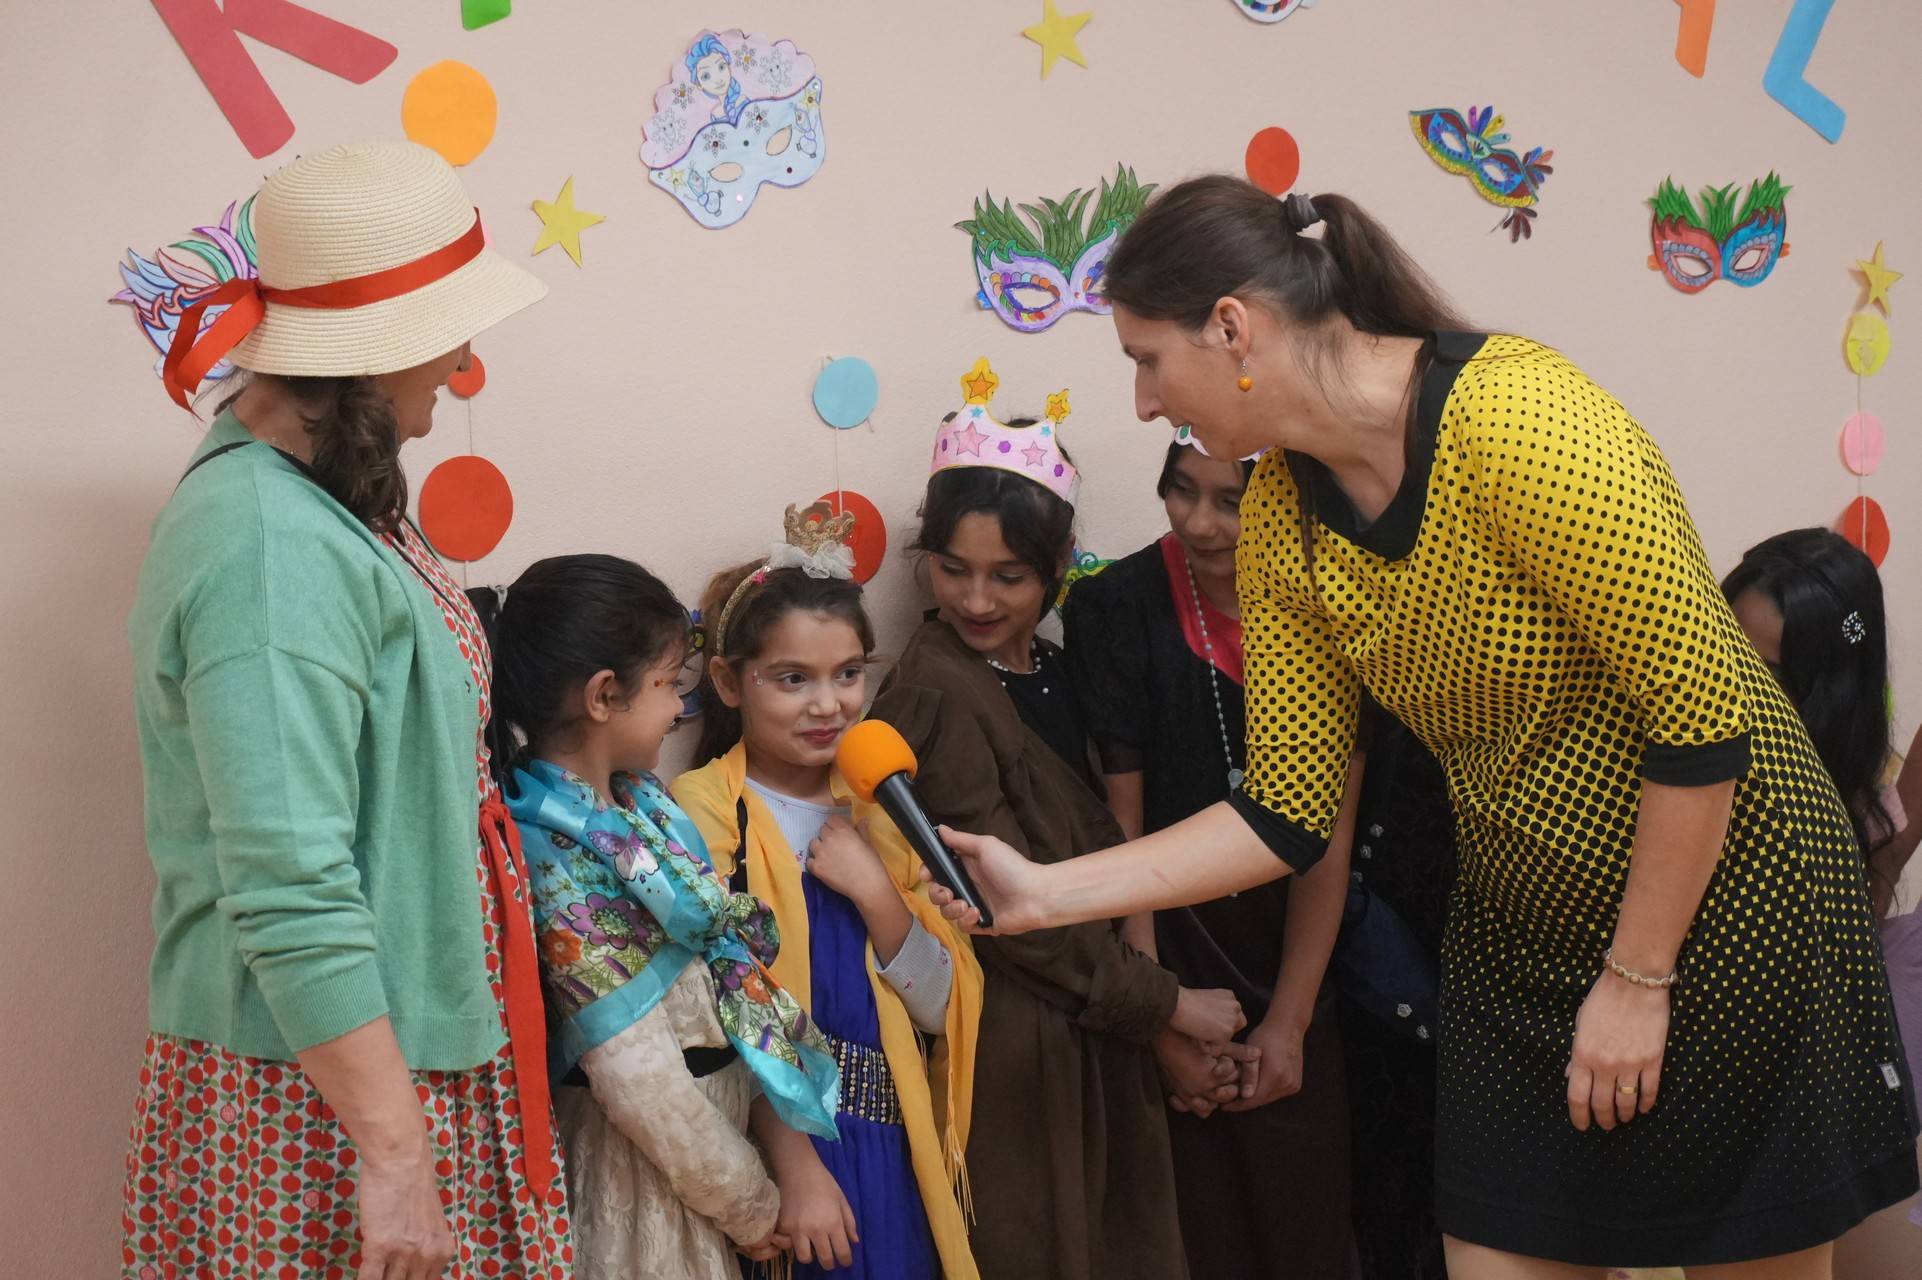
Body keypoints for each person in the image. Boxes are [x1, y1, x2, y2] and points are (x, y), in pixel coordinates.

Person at [920, 178, 1920, 1278]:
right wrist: (1044, 891)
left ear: (1232, 327)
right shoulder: (1281, 519)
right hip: (1522, 926)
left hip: (1728, 905)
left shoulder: (1518, 415)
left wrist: (1639, 977)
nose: (1146, 402)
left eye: (1147, 359)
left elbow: (1701, 716)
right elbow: (1283, 811)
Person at [122, 140, 569, 1278]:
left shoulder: (334, 493)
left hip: (386, 1054)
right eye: (446, 332)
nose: (463, 360)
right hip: (323, 1095)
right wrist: (396, 1156)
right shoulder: (270, 544)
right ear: (368, 354)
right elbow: (287, 877)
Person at [864, 363, 1243, 1280]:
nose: (977, 600)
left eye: (1010, 576)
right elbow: (1003, 913)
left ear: (1059, 566)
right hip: (1017, 1046)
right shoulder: (934, 693)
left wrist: (1150, 1014)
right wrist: (1166, 1009)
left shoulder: (1058, 669)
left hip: (1094, 1028)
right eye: (953, 569)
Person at [473, 553, 844, 1278]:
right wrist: (752, 1205)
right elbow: (640, 1083)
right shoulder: (553, 854)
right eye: (669, 684)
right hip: (647, 1186)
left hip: (707, 1170)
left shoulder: (642, 806)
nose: (680, 707)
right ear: (604, 695)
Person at [1062, 439, 1357, 1278]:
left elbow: (1329, 835)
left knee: (1306, 1228)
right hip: (1168, 946)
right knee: (1194, 1230)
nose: (1199, 523)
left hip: (1301, 956)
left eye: (1232, 502)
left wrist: (1291, 1022)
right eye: (1180, 490)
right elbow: (1122, 825)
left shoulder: (1339, 603)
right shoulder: (1117, 605)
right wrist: (1160, 1014)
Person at [673, 504, 984, 1280]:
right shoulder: (708, 811)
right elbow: (716, 1002)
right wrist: (797, 1165)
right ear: (728, 682)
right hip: (783, 1154)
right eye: (793, 679)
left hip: (891, 1148)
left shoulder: (881, 809)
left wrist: (879, 893)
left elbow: (942, 1007)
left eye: (849, 674)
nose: (828, 704)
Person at [1721, 529, 1922, 1269]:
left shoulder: (1856, 807)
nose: (1737, 691)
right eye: (1726, 653)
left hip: (1791, 1096)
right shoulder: (1684, 760)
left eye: (1772, 676)